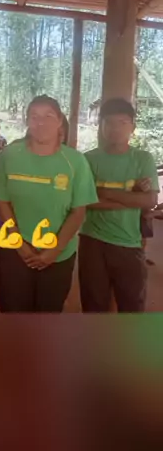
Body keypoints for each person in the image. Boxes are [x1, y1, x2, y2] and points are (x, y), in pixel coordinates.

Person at [0, 95, 97, 313]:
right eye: (34, 116)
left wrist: (54, 250)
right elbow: (3, 201)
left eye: (48, 116)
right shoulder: (10, 155)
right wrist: (19, 244)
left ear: (60, 121)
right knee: (12, 309)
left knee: (48, 312)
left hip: (59, 255)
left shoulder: (75, 161)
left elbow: (78, 212)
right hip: (14, 250)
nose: (41, 123)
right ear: (27, 121)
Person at [78, 98, 159, 313]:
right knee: (93, 305)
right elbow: (86, 201)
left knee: (131, 306)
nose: (115, 128)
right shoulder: (87, 159)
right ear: (101, 125)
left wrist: (105, 192)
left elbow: (150, 200)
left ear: (132, 126)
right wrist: (131, 198)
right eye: (109, 122)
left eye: (122, 122)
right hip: (92, 241)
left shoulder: (143, 159)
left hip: (129, 242)